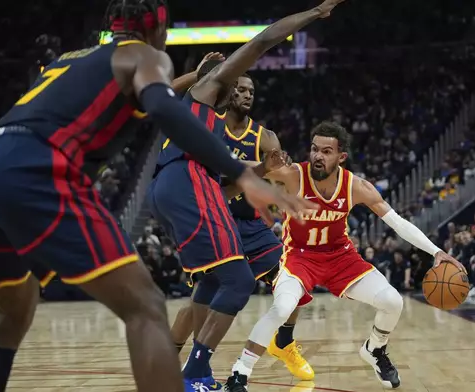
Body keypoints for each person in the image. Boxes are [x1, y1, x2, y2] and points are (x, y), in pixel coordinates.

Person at [0, 0, 315, 391]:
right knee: (146, 306)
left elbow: (153, 96)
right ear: (158, 29)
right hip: (37, 168)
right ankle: (195, 373)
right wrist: (240, 171)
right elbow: (162, 106)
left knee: (13, 310)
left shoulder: (69, 60)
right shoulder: (146, 56)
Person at [146, 1, 345, 390]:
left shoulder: (225, 126)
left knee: (223, 283)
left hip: (186, 193)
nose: (243, 90)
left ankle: (272, 344)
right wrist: (315, 13)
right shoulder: (204, 95)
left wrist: (267, 173)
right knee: (235, 281)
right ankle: (194, 374)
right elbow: (265, 39)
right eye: (237, 83)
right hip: (190, 187)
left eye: (248, 88)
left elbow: (239, 179)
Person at [224, 121, 463, 391]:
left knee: (393, 301)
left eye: (326, 151)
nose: (317, 156)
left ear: (341, 157)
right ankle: (239, 373)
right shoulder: (293, 175)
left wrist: (437, 251)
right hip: (299, 257)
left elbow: (397, 223)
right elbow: (241, 168)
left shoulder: (356, 186)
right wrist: (221, 156)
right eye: (314, 149)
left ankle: (374, 349)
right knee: (281, 308)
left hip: (340, 258)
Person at [168, 74, 313, 382]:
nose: (248, 95)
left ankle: (283, 342)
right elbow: (215, 170)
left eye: (251, 91)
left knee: (295, 280)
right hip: (213, 222)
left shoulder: (265, 137)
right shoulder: (208, 126)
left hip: (250, 225)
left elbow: (280, 175)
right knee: (200, 301)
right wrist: (256, 169)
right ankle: (170, 357)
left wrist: (286, 176)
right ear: (227, 92)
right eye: (241, 89)